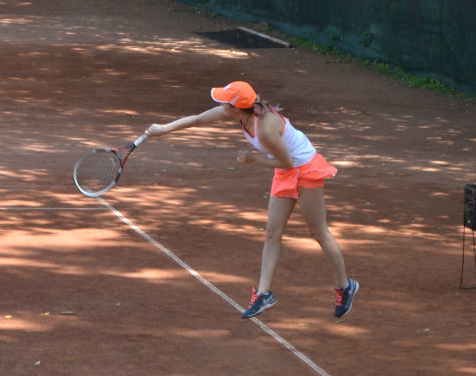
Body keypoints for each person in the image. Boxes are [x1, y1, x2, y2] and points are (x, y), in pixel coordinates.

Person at [143, 80, 359, 320]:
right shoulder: (240, 113)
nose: (221, 105)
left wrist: (254, 160)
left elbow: (287, 162)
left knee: (318, 232)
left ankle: (345, 286)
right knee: (271, 233)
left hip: (306, 169)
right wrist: (163, 129)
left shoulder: (266, 129)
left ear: (236, 109)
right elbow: (197, 119)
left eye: (225, 102)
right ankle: (264, 293)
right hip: (285, 171)